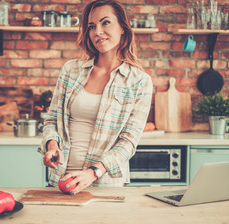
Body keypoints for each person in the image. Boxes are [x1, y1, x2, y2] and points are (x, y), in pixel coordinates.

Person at [38, 0, 153, 194]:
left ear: (122, 28)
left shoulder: (139, 81)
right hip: (60, 180)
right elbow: (52, 120)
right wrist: (52, 145)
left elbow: (128, 142)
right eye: (92, 26)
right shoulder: (71, 70)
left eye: (105, 22)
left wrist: (92, 172)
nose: (97, 31)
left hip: (104, 185)